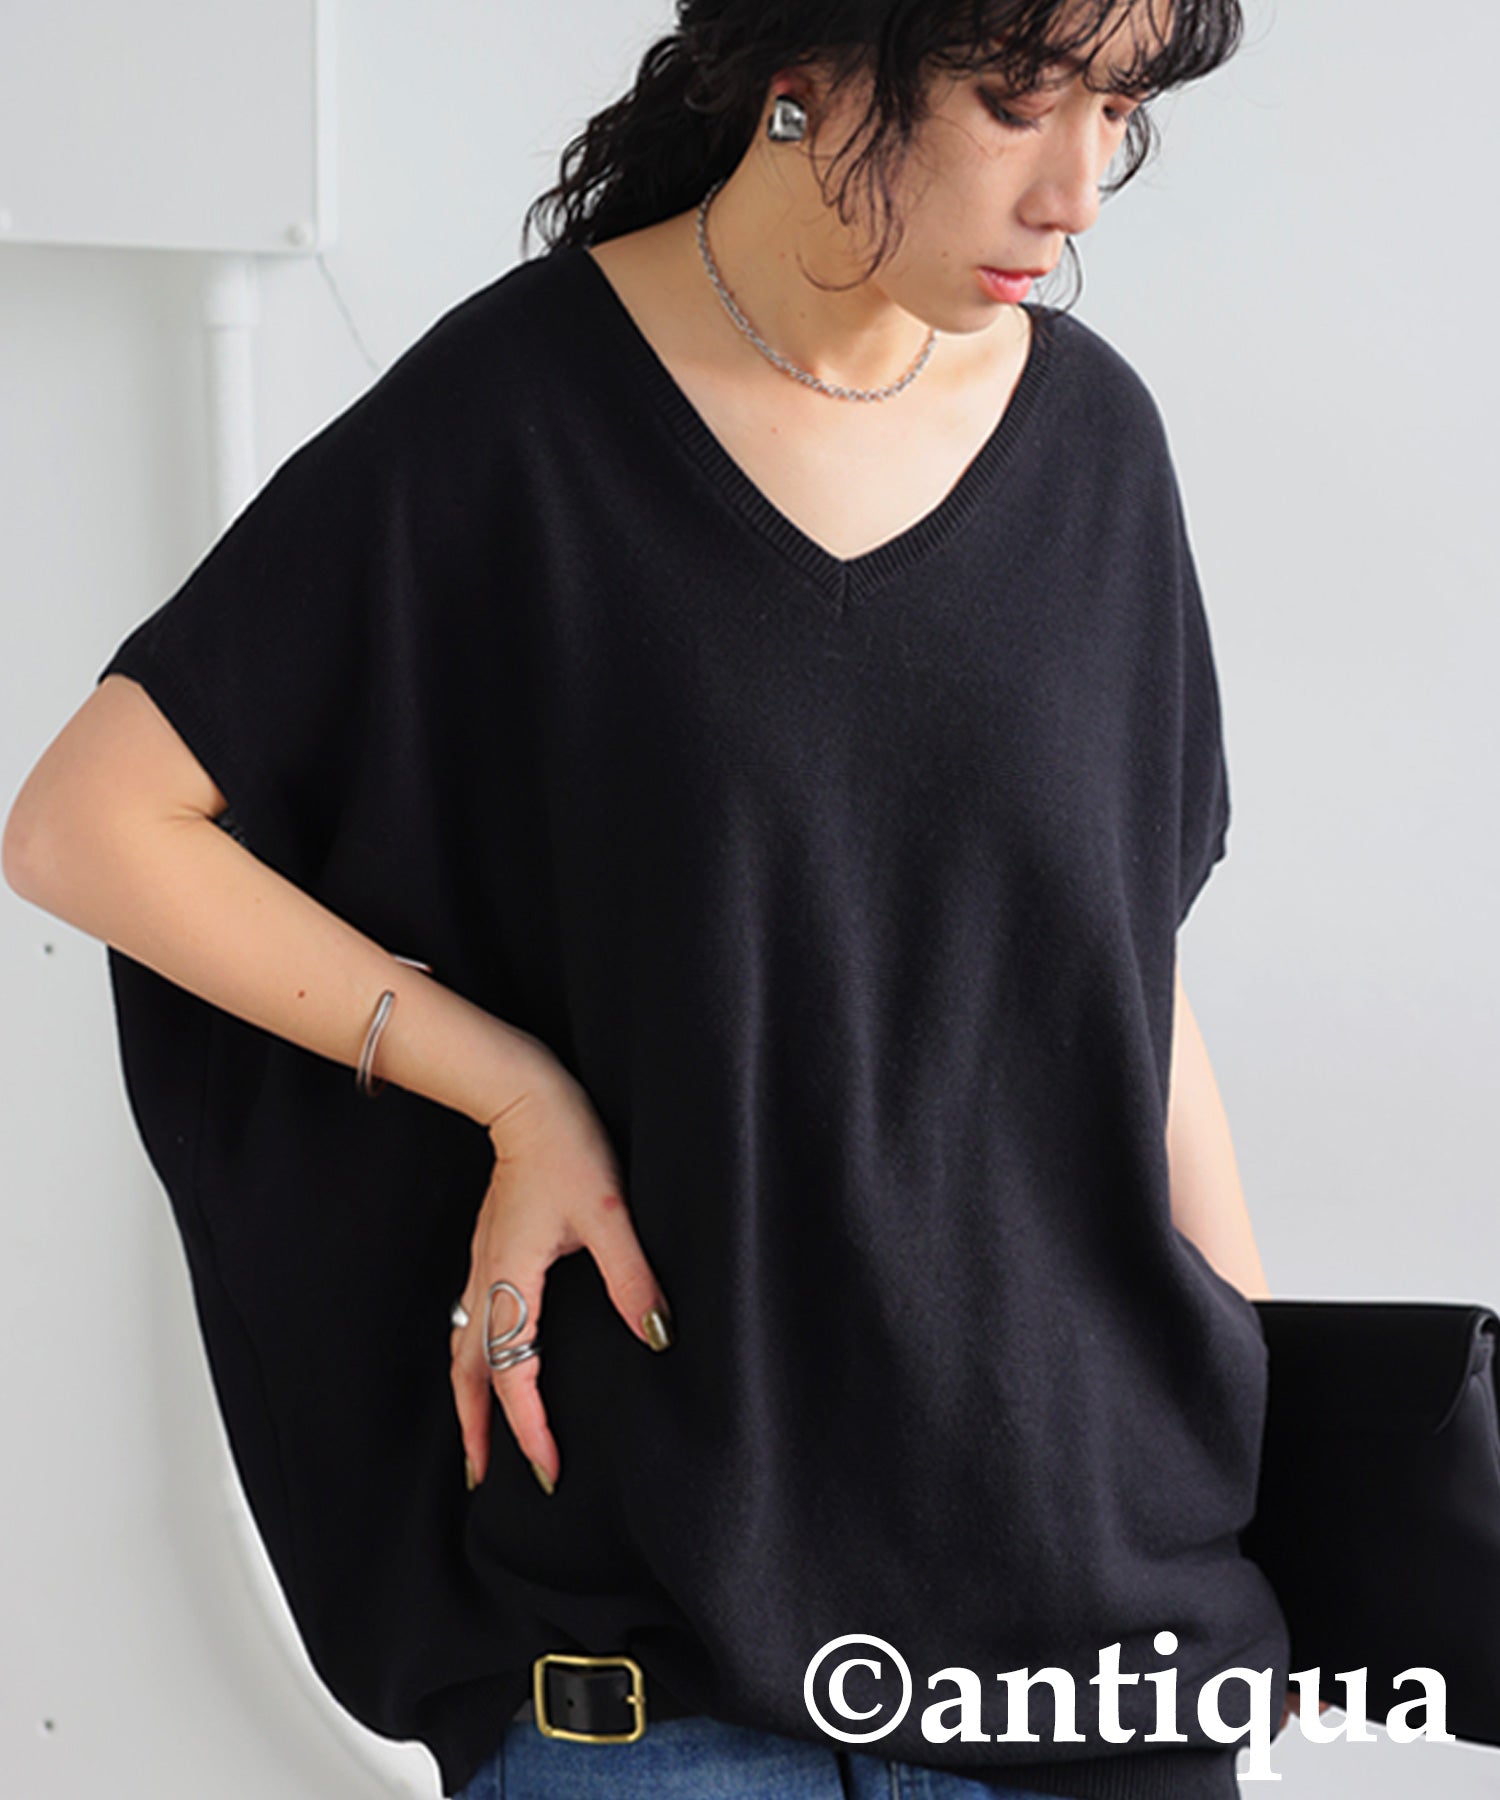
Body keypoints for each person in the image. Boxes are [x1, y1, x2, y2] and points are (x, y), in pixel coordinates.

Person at [2, 1, 1328, 1795]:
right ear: (816, 59)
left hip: (1096, 1649)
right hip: (654, 1675)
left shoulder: (1096, 443)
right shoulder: (514, 418)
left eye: (1120, 106)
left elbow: (1124, 979)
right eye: (1019, 100)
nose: (1080, 188)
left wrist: (1273, 1460)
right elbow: (90, 824)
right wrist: (511, 1090)